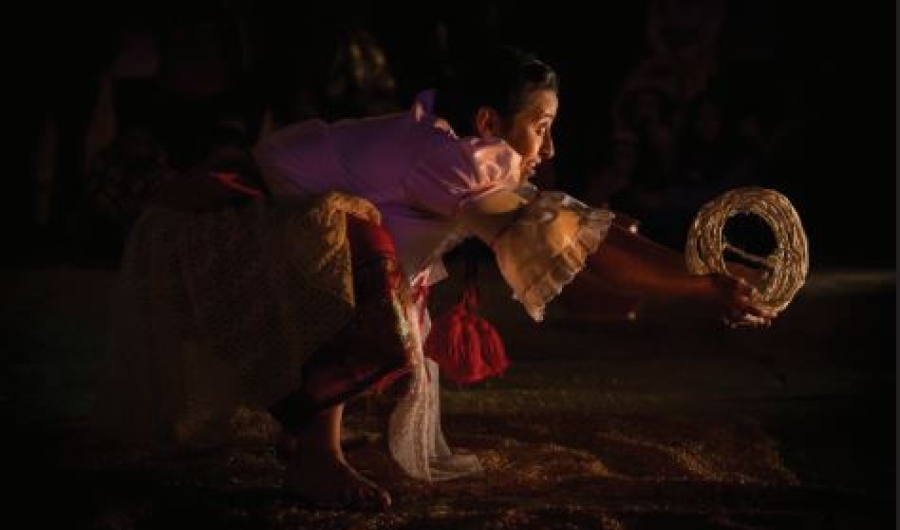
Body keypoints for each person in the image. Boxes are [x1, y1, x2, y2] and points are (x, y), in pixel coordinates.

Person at [96, 45, 775, 512]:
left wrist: (699, 278)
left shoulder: (459, 152)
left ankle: (300, 421)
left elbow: (587, 234)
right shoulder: (449, 158)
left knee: (397, 288)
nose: (551, 147)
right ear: (488, 123)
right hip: (212, 242)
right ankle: (314, 453)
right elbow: (586, 252)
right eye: (541, 127)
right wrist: (699, 289)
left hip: (245, 235)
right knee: (360, 252)